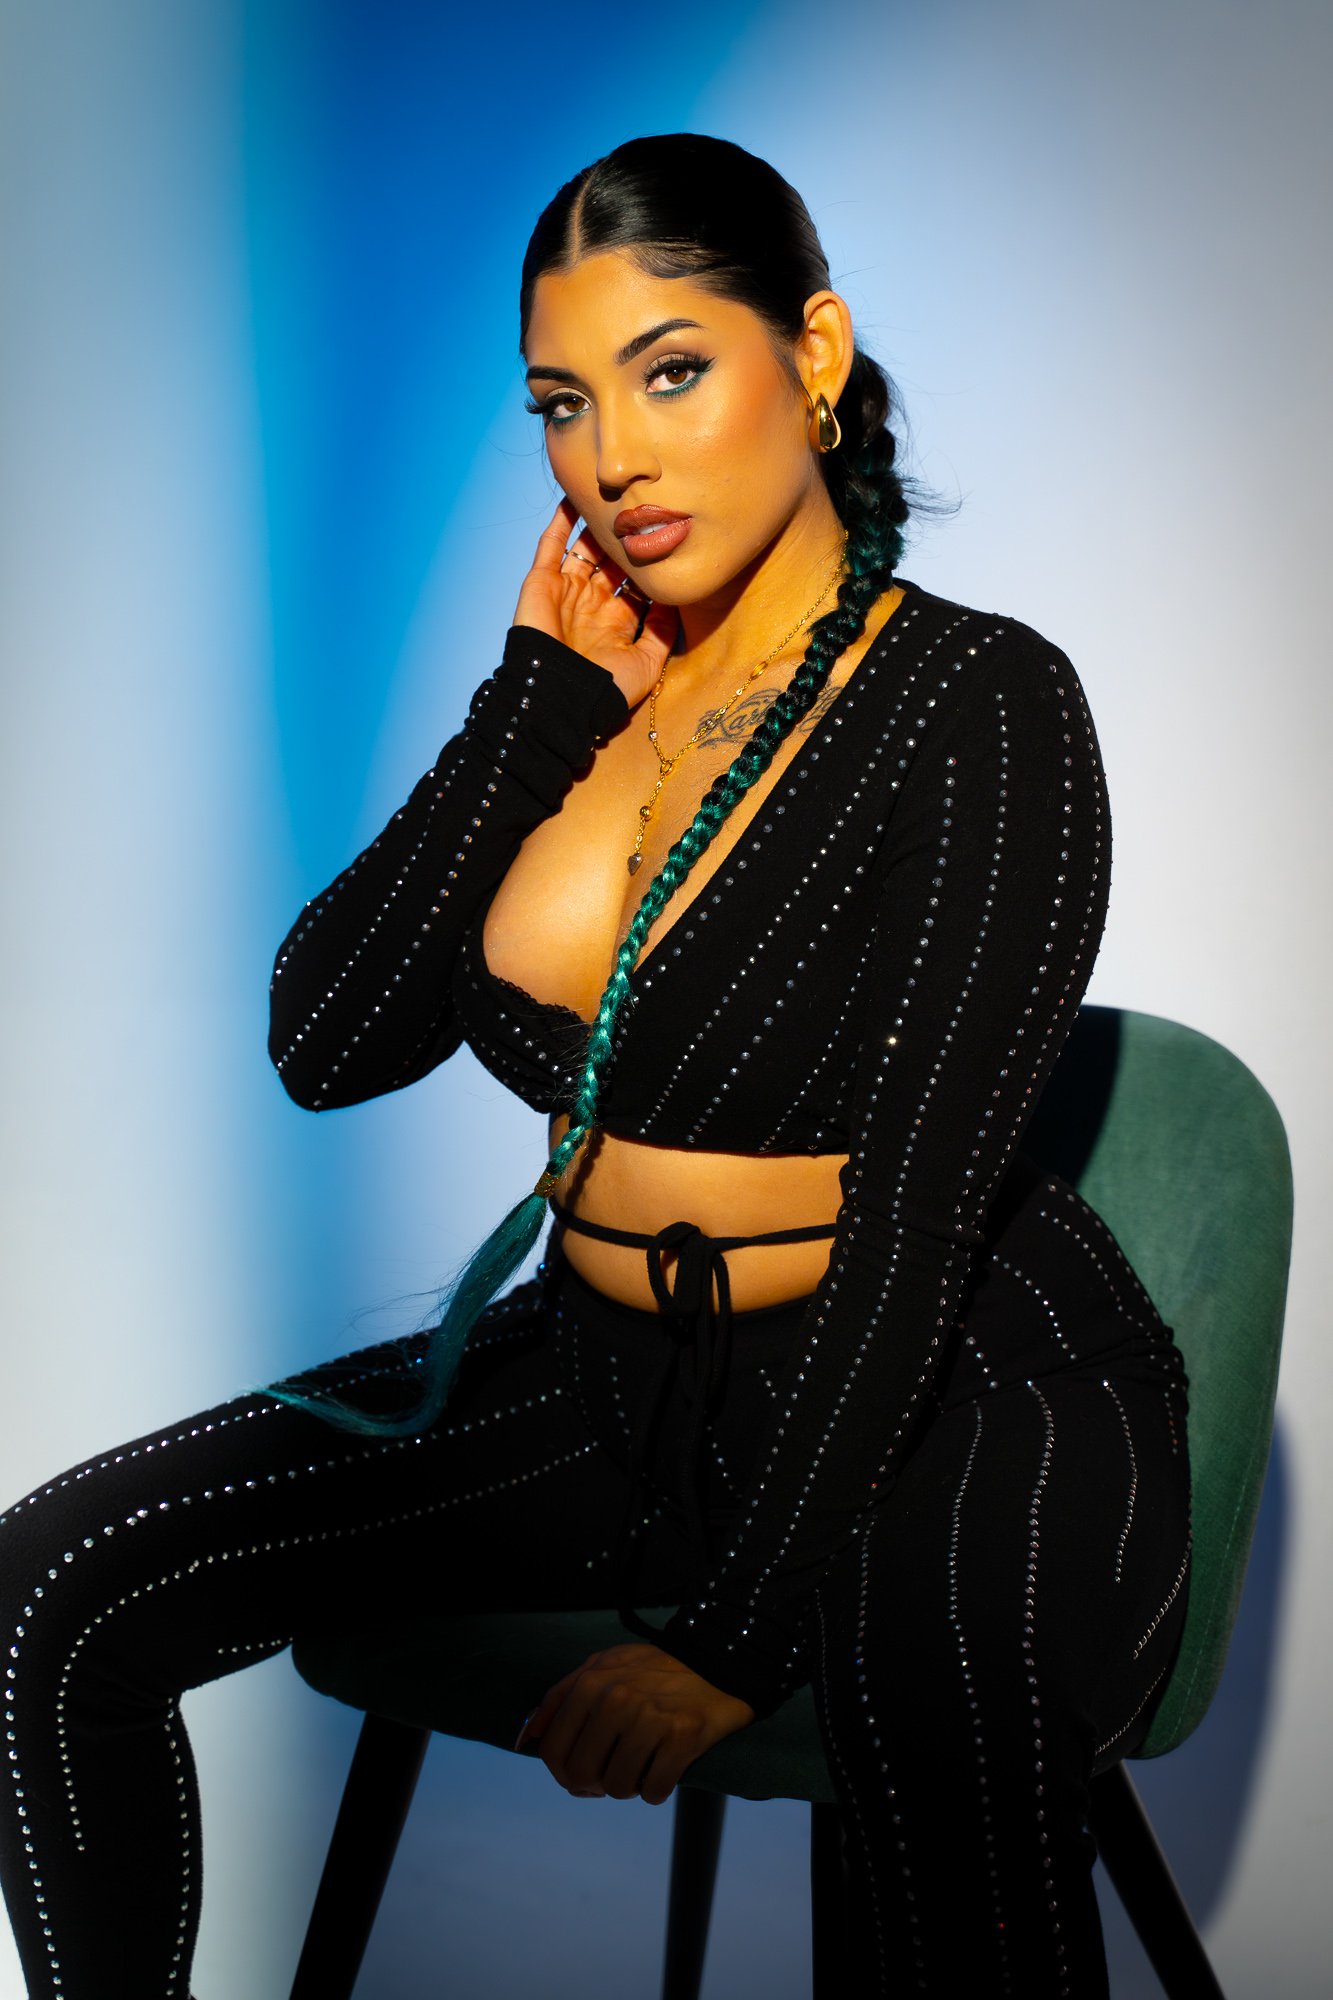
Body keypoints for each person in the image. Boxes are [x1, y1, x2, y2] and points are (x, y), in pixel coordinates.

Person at [0, 132, 1192, 1998]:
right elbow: (328, 1041)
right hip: (614, 1383)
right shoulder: (593, 707)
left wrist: (728, 1638)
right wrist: (530, 704)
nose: (611, 456)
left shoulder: (978, 701)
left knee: (930, 1734)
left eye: (670, 371)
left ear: (811, 354)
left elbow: (917, 1219)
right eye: (563, 404)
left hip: (952, 1386)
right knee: (61, 1591)